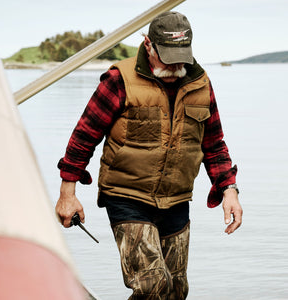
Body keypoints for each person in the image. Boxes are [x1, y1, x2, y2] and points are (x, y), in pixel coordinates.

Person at [56, 11, 243, 299]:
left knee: (176, 290)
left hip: (177, 199)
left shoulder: (201, 84)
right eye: (167, 56)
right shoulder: (119, 80)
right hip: (126, 196)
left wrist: (229, 190)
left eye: (181, 56)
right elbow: (85, 135)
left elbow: (214, 143)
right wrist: (67, 194)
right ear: (148, 45)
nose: (176, 64)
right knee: (153, 286)